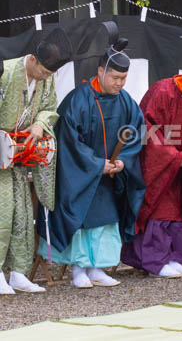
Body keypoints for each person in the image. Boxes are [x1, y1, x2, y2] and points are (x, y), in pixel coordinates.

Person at [38, 24, 145, 289]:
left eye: (123, 78)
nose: (119, 83)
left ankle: (97, 268)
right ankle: (79, 270)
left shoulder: (126, 101)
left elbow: (137, 130)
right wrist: (98, 165)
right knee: (82, 220)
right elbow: (68, 140)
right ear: (100, 72)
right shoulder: (79, 99)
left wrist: (123, 161)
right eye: (115, 78)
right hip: (83, 174)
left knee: (106, 220)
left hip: (111, 175)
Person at [121, 34, 182, 278]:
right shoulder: (162, 91)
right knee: (157, 208)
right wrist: (175, 156)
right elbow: (147, 129)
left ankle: (174, 257)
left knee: (177, 208)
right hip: (158, 163)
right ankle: (156, 261)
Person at [0, 28, 71, 294]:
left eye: (49, 75)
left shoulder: (46, 79)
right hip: (2, 152)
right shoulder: (5, 72)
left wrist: (40, 123)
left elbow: (49, 107)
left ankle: (19, 272)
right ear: (32, 59)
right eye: (43, 72)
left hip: (21, 157)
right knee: (2, 214)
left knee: (23, 214)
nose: (45, 78)